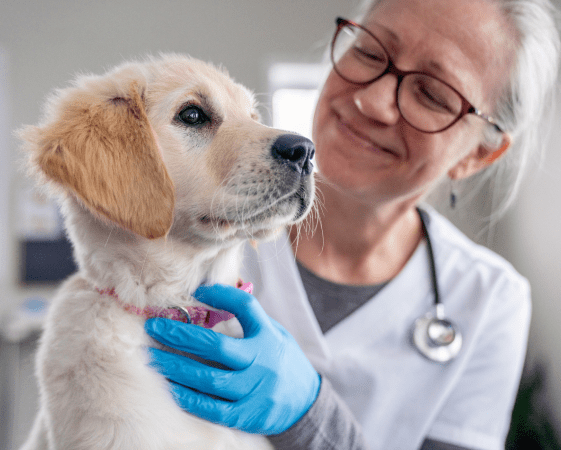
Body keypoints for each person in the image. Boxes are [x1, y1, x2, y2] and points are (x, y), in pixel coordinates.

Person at [144, 0, 561, 448]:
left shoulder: (489, 299)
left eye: (433, 94)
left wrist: (309, 416)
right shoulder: (189, 232)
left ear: (480, 154)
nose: (372, 100)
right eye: (369, 52)